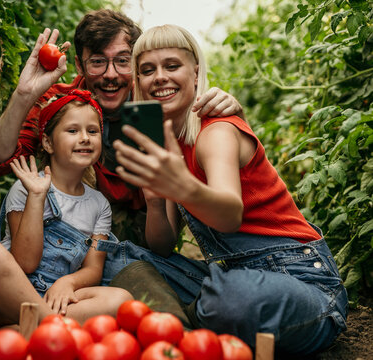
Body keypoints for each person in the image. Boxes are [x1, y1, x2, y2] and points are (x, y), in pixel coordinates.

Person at [109, 24, 348, 355]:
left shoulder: (216, 131)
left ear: (196, 73)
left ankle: (173, 324)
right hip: (226, 278)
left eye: (172, 66)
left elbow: (229, 214)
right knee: (118, 256)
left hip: (302, 286)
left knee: (235, 297)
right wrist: (154, 199)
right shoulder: (167, 148)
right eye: (147, 70)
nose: (159, 77)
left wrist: (184, 186)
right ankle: (190, 323)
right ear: (139, 83)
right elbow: (162, 246)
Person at [0, 9, 244, 244]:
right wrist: (24, 95)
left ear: (137, 64)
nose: (111, 74)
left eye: (123, 61)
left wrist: (228, 108)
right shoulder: (56, 104)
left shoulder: (157, 105)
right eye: (98, 62)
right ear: (79, 65)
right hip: (63, 225)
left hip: (143, 231)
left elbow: (206, 143)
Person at [0, 32, 132, 360]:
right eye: (73, 131)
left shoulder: (98, 205)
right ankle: (53, 331)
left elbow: (93, 269)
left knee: (120, 299)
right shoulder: (28, 186)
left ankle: (19, 334)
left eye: (93, 131)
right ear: (48, 144)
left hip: (57, 298)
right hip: (8, 295)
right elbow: (24, 262)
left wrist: (70, 283)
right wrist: (37, 197)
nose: (85, 138)